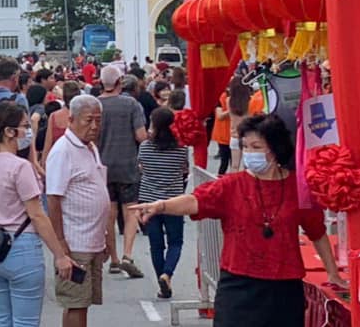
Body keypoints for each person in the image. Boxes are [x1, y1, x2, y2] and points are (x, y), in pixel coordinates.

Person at [132, 114, 346, 327]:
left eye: (256, 146)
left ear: (275, 149)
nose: (249, 153)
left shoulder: (297, 189)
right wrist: (161, 206)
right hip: (238, 288)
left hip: (284, 290)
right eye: (245, 147)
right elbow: (195, 201)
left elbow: (316, 231)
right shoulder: (231, 186)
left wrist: (333, 273)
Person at [0, 100, 72, 327]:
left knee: (3, 319)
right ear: (10, 132)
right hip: (21, 246)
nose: (27, 131)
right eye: (24, 126)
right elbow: (37, 215)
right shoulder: (20, 167)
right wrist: (59, 254)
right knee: (25, 322)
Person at [45, 95, 111, 327]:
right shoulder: (63, 150)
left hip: (91, 239)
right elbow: (53, 198)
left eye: (98, 120)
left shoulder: (89, 147)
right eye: (88, 120)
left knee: (82, 302)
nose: (94, 126)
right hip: (75, 242)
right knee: (76, 302)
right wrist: (61, 242)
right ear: (71, 119)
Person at [96, 65, 146, 278]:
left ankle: (114, 259)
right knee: (131, 209)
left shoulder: (95, 105)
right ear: (120, 83)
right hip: (128, 165)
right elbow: (141, 136)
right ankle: (127, 254)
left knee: (109, 213)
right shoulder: (131, 104)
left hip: (102, 166)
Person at [137, 108, 188, 299]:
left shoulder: (145, 147)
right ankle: (168, 274)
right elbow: (184, 170)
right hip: (174, 201)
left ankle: (161, 278)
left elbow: (141, 167)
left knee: (156, 244)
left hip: (149, 200)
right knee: (176, 241)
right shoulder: (181, 148)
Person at [45, 81, 83, 157]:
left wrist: (45, 165)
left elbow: (47, 147)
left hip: (58, 161)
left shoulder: (53, 116)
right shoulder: (84, 116)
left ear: (63, 96)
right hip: (79, 161)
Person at [228, 78, 252, 173]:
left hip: (234, 136)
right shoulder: (250, 101)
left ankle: (232, 186)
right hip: (247, 136)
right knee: (248, 166)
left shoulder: (229, 101)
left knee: (234, 166)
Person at [212, 88, 232, 175]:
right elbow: (219, 116)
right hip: (223, 135)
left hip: (235, 135)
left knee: (234, 163)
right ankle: (219, 182)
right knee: (224, 161)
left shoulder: (241, 98)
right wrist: (232, 110)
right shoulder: (221, 98)